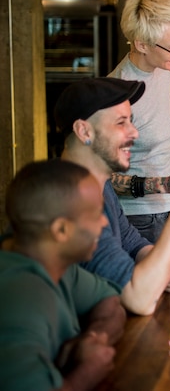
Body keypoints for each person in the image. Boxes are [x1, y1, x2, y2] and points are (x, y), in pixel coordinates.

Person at [54, 77, 170, 316]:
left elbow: (130, 241)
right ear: (84, 130)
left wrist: (165, 267)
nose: (134, 133)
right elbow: (140, 299)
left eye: (132, 121)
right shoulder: (70, 199)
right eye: (121, 123)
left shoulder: (98, 182)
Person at [0, 160, 126, 390]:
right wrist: (90, 369)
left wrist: (94, 338)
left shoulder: (57, 265)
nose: (105, 221)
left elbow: (111, 301)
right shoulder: (19, 304)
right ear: (61, 230)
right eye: (97, 213)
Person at [108, 0, 170, 242]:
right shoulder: (117, 95)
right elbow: (100, 178)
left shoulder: (162, 65)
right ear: (142, 44)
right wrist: (165, 184)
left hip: (169, 208)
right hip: (137, 220)